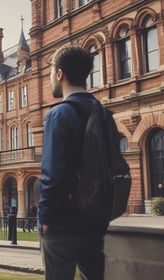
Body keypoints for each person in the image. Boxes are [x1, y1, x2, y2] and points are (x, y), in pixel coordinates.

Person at [38, 44, 108, 280]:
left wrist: (45, 219)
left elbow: (52, 175)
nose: (50, 80)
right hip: (96, 219)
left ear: (60, 74)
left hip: (63, 221)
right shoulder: (103, 112)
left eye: (50, 74)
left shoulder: (59, 114)